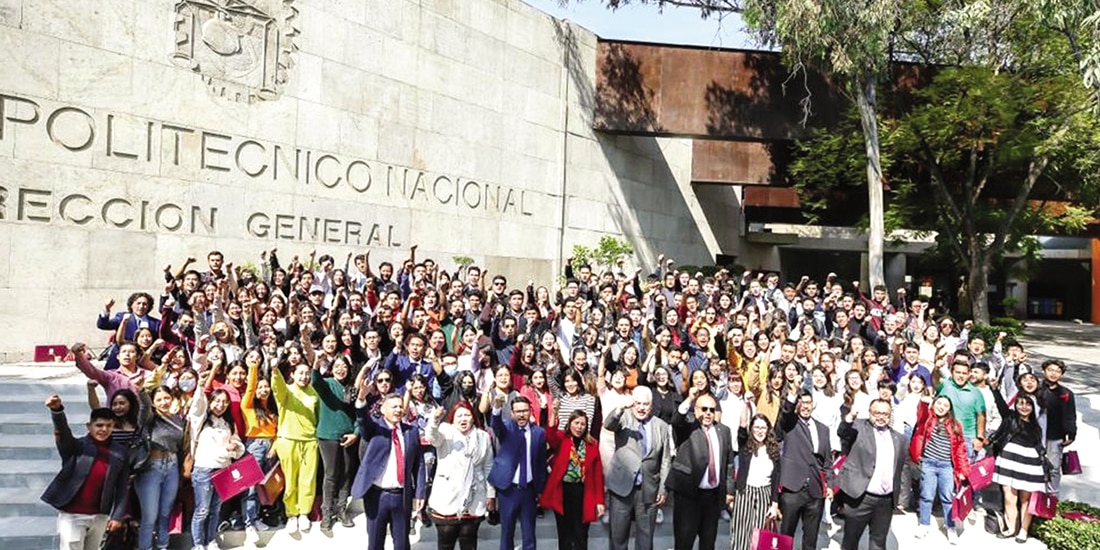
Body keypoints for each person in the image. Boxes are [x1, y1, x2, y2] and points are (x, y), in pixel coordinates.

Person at [42, 394, 131, 550]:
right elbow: (63, 432)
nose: (104, 430)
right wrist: (57, 411)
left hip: (100, 516)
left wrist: (118, 516)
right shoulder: (77, 447)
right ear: (89, 426)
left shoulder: (120, 453)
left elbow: (123, 487)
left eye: (109, 426)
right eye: (99, 425)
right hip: (72, 516)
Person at [350, 392, 427, 550]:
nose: (398, 410)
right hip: (377, 496)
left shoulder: (411, 432)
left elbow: (419, 463)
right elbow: (363, 420)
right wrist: (361, 400)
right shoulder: (374, 428)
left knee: (402, 544)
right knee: (375, 543)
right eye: (394, 407)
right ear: (383, 409)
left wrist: (420, 492)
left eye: (400, 406)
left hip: (402, 496)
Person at [603, 385, 674, 550]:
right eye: (638, 403)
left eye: (645, 404)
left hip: (648, 490)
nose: (641, 408)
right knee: (618, 539)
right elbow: (608, 424)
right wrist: (620, 408)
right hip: (621, 489)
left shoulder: (662, 426)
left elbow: (665, 460)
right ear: (632, 403)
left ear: (651, 405)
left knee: (645, 540)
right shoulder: (624, 418)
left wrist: (663, 489)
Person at [835, 398, 907, 550]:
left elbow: (901, 469)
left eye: (885, 414)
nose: (881, 417)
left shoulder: (899, 439)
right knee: (851, 541)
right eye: (877, 413)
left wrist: (902, 497)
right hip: (860, 497)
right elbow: (843, 432)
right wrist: (851, 416)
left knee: (878, 542)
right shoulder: (859, 427)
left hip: (885, 501)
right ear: (869, 413)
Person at [667, 392, 735, 550]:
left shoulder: (724, 431)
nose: (708, 413)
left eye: (712, 410)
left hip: (712, 498)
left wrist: (729, 490)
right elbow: (676, 421)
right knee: (684, 543)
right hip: (689, 497)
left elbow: (729, 463)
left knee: (708, 543)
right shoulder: (688, 427)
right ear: (696, 410)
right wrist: (690, 399)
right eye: (704, 409)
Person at [423, 402, 495, 550]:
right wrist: (435, 419)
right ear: (453, 419)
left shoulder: (483, 436)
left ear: (473, 417)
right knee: (446, 541)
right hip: (447, 497)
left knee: (469, 540)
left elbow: (488, 465)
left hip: (475, 496)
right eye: (459, 416)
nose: (463, 419)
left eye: (467, 415)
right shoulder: (445, 431)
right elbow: (432, 437)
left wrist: (490, 493)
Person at [989, 381, 1047, 544]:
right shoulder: (1010, 418)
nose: (1024, 407)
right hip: (1008, 460)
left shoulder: (1036, 426)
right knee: (1009, 497)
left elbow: (1039, 446)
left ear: (1032, 407)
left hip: (1029, 464)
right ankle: (1011, 528)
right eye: (1020, 403)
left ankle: (1023, 530)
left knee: (1025, 499)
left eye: (1027, 404)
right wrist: (995, 389)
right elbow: (1001, 404)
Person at [188, 387, 245, 550]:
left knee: (215, 509)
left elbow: (238, 444)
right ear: (210, 402)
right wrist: (201, 384)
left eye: (225, 402)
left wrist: (235, 447)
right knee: (202, 510)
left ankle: (210, 540)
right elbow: (197, 405)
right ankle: (198, 544)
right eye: (217, 401)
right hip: (203, 470)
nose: (221, 405)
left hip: (223, 470)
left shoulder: (229, 423)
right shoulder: (201, 420)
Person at [488, 395, 548, 550]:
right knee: (507, 532)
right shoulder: (507, 428)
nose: (521, 415)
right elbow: (496, 425)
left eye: (525, 411)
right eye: (518, 411)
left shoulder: (539, 433)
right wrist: (496, 408)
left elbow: (541, 462)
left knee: (529, 534)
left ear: (530, 412)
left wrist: (540, 489)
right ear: (512, 413)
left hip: (529, 489)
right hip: (508, 489)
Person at [541, 407, 606, 550]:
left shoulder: (592, 444)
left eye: (582, 424)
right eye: (576, 423)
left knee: (581, 534)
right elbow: (550, 435)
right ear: (570, 423)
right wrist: (554, 413)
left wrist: (599, 501)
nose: (579, 427)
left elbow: (597, 474)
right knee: (564, 534)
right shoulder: (562, 439)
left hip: (583, 492)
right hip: (563, 492)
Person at [776, 389, 832, 550]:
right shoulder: (790, 424)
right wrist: (792, 395)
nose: (805, 406)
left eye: (808, 403)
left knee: (810, 540)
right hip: (792, 489)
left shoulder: (823, 429)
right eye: (802, 403)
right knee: (786, 537)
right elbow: (785, 414)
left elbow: (827, 461)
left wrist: (830, 484)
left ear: (813, 404)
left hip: (815, 491)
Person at [909, 394, 970, 542]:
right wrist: (924, 403)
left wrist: (963, 470)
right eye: (939, 403)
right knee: (926, 495)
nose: (941, 407)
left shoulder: (955, 425)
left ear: (950, 409)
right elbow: (922, 413)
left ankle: (950, 526)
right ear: (934, 403)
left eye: (945, 405)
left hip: (947, 466)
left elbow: (960, 449)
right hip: (928, 463)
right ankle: (924, 524)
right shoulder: (928, 419)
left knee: (947, 497)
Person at [270, 361, 320, 534]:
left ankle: (304, 513)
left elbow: (319, 416)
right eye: (300, 373)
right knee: (290, 480)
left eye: (307, 373)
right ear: (292, 374)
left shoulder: (314, 393)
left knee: (308, 479)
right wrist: (275, 370)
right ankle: (292, 514)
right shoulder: (286, 391)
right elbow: (278, 386)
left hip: (310, 441)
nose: (304, 377)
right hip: (288, 440)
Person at [133, 386, 185, 550]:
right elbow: (144, 406)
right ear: (154, 403)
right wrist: (141, 391)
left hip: (172, 466)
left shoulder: (178, 419)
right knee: (149, 516)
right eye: (159, 399)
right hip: (151, 468)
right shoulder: (149, 418)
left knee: (165, 513)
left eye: (167, 398)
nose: (164, 402)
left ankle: (163, 545)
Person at [729, 411, 782, 550]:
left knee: (760, 533)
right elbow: (741, 429)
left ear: (768, 429)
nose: (760, 431)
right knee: (741, 531)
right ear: (751, 429)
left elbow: (776, 478)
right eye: (757, 427)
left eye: (763, 428)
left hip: (764, 493)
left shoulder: (773, 450)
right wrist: (745, 405)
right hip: (745, 492)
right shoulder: (745, 446)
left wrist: (774, 504)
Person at [1039, 359, 1076, 496]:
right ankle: (1034, 497)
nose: (1053, 374)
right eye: (1050, 370)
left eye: (1057, 371)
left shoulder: (1066, 393)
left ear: (1061, 375)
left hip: (1055, 436)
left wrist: (1071, 433)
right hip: (1035, 435)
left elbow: (1070, 415)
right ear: (1043, 372)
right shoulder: (1036, 390)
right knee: (1035, 466)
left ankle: (1052, 497)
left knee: (1054, 467)